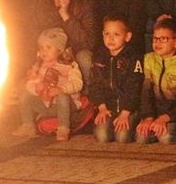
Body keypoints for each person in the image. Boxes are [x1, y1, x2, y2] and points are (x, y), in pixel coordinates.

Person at [14, 27, 83, 142]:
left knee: (62, 97)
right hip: (45, 105)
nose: (43, 51)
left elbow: (77, 83)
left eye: (48, 47)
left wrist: (62, 89)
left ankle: (63, 128)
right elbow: (30, 82)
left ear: (59, 49)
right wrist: (35, 88)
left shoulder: (69, 66)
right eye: (41, 48)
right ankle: (27, 125)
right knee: (24, 89)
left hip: (65, 107)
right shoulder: (39, 65)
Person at [35, 0, 98, 83]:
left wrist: (66, 15)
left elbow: (89, 43)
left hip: (76, 57)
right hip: (51, 61)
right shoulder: (42, 9)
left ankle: (86, 96)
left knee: (85, 57)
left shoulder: (85, 5)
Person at [88, 14, 143, 143]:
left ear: (127, 36)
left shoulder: (133, 58)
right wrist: (102, 108)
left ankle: (135, 126)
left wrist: (125, 113)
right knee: (102, 136)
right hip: (108, 109)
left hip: (128, 109)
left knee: (122, 137)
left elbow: (135, 88)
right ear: (102, 35)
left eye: (116, 34)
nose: (110, 38)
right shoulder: (99, 57)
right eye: (107, 34)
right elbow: (95, 85)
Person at [135, 18, 176, 144]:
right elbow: (146, 93)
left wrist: (166, 117)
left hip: (173, 115)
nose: (158, 43)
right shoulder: (149, 60)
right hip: (157, 113)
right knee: (142, 137)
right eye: (155, 38)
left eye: (163, 39)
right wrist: (148, 117)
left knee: (165, 138)